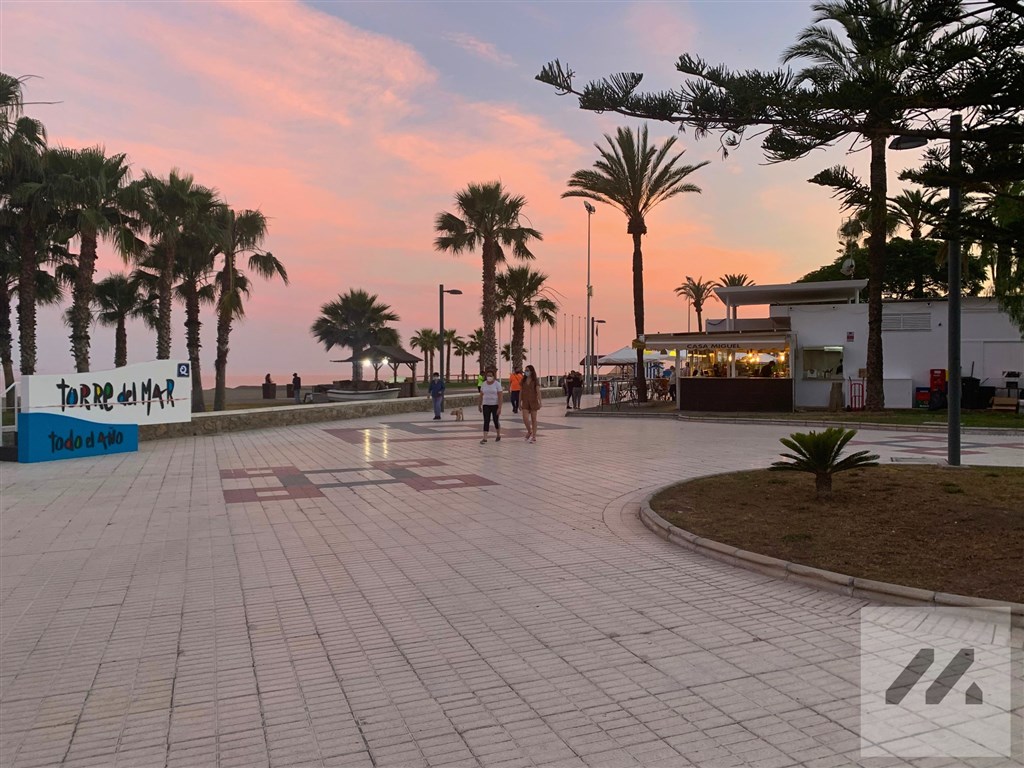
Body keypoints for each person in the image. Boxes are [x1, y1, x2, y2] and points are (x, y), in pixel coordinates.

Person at [478, 368, 503, 443]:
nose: (489, 377)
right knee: (486, 420)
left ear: (493, 376)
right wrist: (479, 405)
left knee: (496, 420)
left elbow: (500, 396)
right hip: (486, 404)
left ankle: (498, 434)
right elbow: (481, 395)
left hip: (495, 405)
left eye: (490, 376)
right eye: (488, 375)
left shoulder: (497, 384)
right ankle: (485, 438)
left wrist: (499, 407)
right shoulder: (483, 384)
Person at [519, 364, 542, 443]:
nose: (526, 372)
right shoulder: (523, 380)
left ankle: (534, 436)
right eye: (525, 370)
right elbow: (521, 392)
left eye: (528, 370)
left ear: (532, 371)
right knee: (525, 418)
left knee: (533, 419)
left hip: (533, 401)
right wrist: (519, 402)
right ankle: (529, 431)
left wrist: (540, 401)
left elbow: (538, 391)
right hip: (525, 401)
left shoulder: (535, 381)